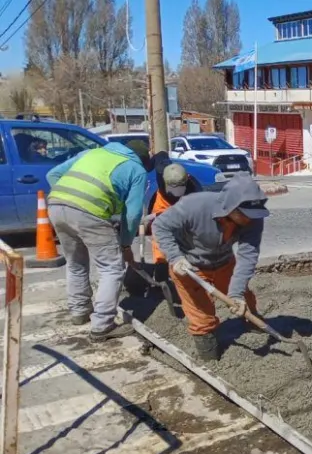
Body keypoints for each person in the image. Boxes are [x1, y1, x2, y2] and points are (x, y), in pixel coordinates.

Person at [151, 175, 269, 363]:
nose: (249, 219)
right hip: (189, 266)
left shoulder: (253, 218)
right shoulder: (195, 205)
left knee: (244, 298)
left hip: (223, 261)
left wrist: (236, 294)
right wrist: (175, 258)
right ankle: (210, 358)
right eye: (244, 214)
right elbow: (160, 226)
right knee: (201, 314)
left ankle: (253, 323)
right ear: (230, 206)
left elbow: (248, 256)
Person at [47, 139, 153, 341]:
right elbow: (132, 215)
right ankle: (102, 325)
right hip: (90, 213)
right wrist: (125, 243)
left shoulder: (91, 153)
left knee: (75, 263)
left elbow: (52, 174)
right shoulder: (136, 169)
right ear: (142, 159)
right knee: (111, 268)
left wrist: (71, 201)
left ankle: (79, 312)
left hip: (56, 205)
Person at [145, 155, 202, 274]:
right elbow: (160, 154)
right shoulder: (161, 170)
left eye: (180, 187)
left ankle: (187, 259)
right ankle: (161, 263)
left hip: (184, 205)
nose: (176, 191)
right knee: (159, 230)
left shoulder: (195, 188)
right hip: (163, 202)